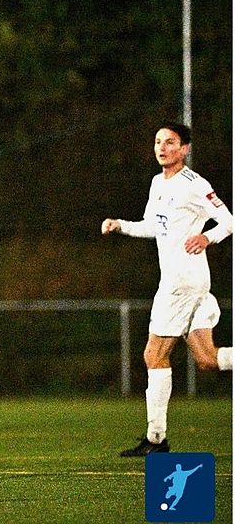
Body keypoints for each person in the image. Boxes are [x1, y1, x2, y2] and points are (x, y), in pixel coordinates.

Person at [101, 122, 232, 457]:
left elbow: (228, 220)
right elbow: (153, 227)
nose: (162, 147)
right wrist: (121, 226)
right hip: (187, 282)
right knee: (206, 359)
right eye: (158, 141)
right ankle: (155, 439)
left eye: (170, 142)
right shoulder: (158, 182)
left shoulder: (194, 184)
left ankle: (156, 440)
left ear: (184, 148)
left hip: (181, 282)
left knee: (153, 355)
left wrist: (207, 236)